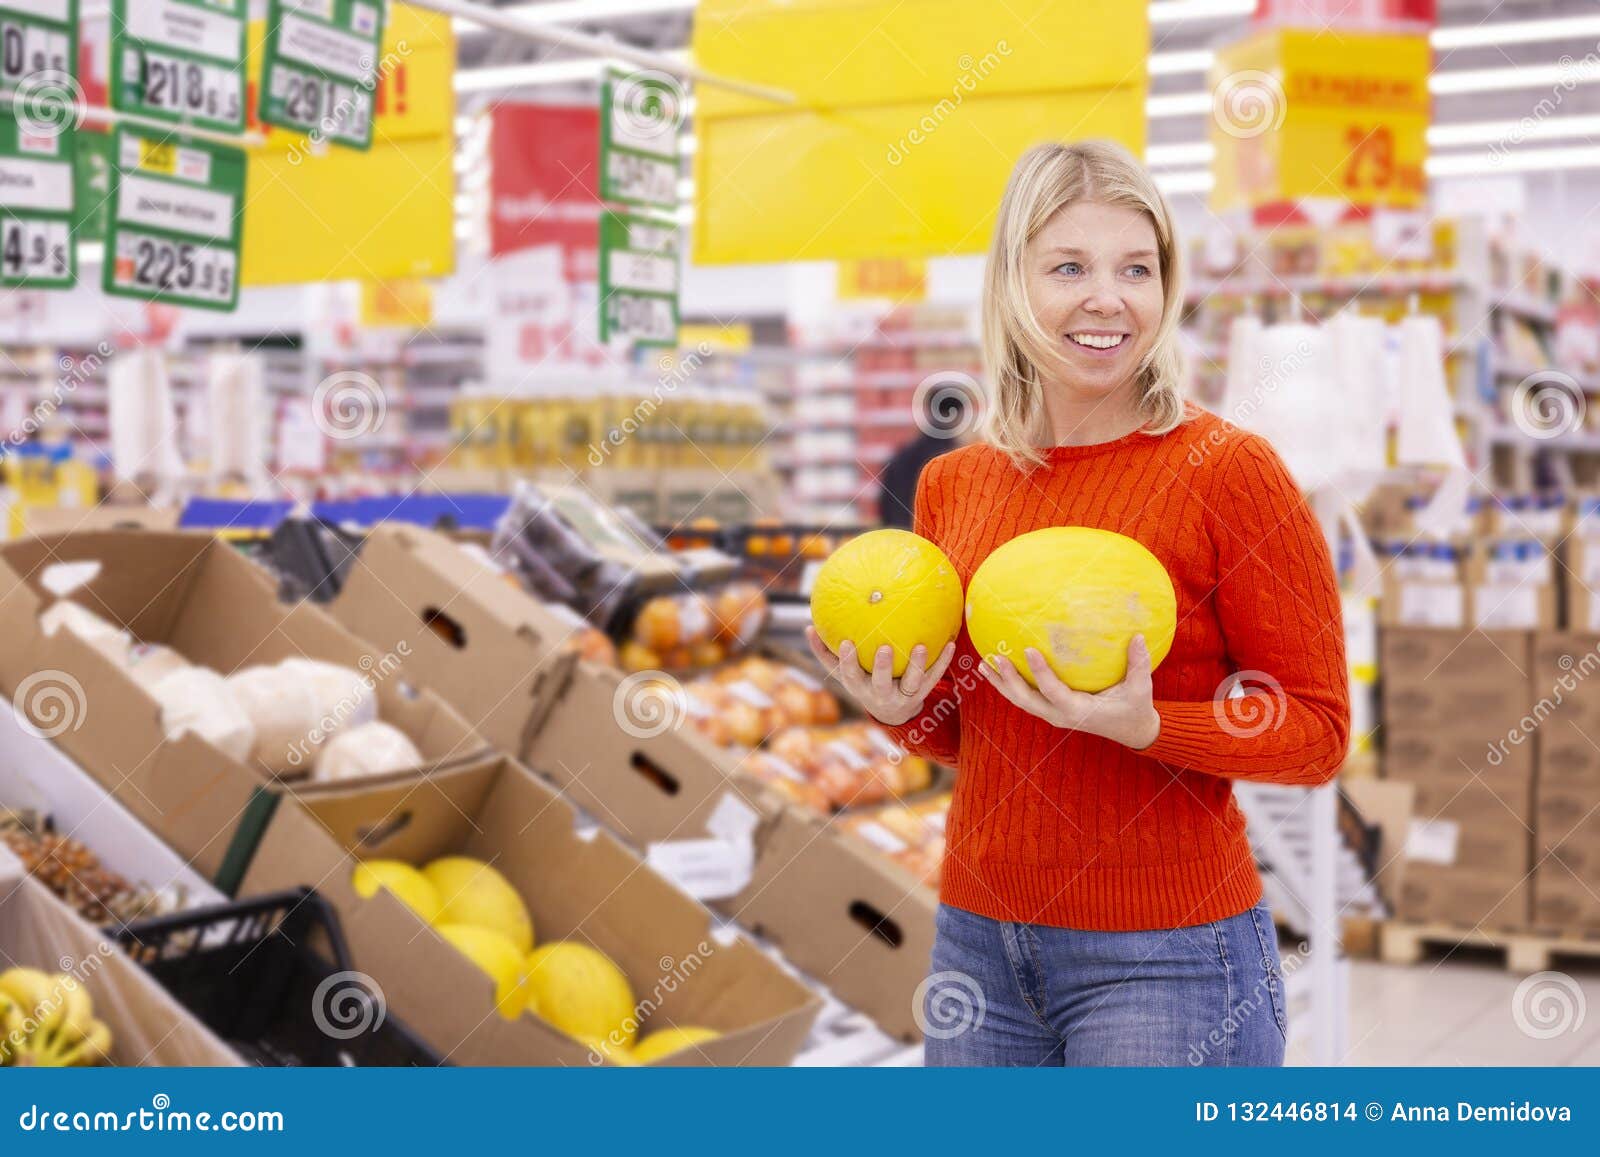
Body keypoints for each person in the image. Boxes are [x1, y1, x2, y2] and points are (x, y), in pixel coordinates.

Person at [805, 140, 1349, 1067]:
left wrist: (1150, 726)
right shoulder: (955, 485)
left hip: (1170, 957)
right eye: (1069, 267)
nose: (1110, 298)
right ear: (1012, 286)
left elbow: (1317, 730)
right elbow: (982, 732)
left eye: (1137, 268)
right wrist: (899, 711)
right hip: (980, 941)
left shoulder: (1226, 471)